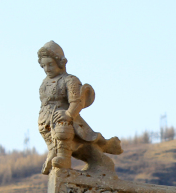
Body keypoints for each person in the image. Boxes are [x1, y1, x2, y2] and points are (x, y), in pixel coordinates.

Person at [37, 41, 122, 175]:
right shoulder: (45, 83)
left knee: (62, 127)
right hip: (46, 119)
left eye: (50, 64)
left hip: (65, 120)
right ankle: (53, 152)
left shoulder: (70, 80)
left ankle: (64, 158)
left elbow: (76, 101)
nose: (47, 68)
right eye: (44, 65)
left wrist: (69, 114)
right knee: (50, 136)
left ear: (60, 63)